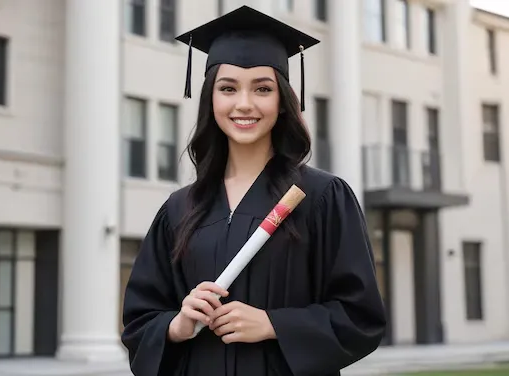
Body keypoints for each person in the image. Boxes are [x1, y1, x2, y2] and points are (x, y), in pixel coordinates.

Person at [121, 5, 387, 376]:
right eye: (228, 88)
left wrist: (274, 324)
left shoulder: (321, 196)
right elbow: (139, 320)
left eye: (262, 88)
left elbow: (361, 316)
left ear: (282, 102)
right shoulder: (179, 208)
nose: (244, 103)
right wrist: (177, 325)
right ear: (210, 100)